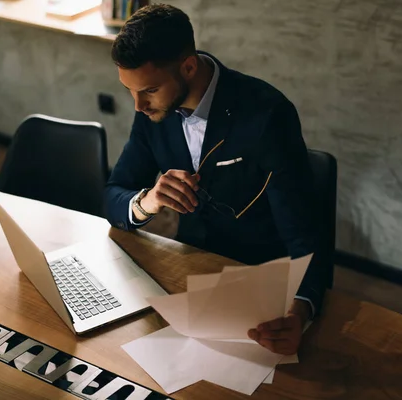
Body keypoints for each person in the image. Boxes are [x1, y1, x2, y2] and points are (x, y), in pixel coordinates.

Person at [105, 4, 328, 355]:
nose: (138, 106)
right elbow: (113, 195)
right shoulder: (151, 112)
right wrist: (148, 200)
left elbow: (305, 237)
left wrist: (300, 312)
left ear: (188, 67)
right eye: (130, 91)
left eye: (148, 90)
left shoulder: (267, 115)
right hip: (188, 274)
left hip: (259, 286)